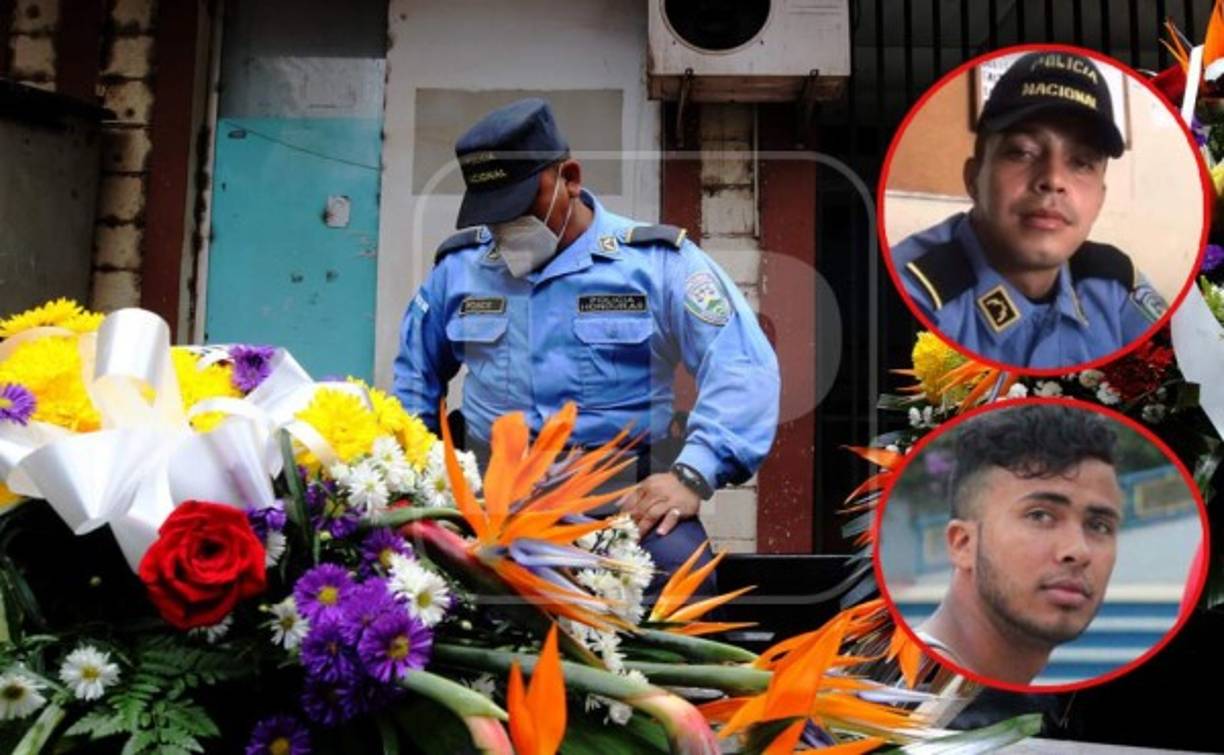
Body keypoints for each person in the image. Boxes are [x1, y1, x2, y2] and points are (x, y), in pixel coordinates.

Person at [392, 98, 780, 595]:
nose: (505, 230)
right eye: (494, 216)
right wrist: (418, 480)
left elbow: (741, 365)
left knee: (683, 591)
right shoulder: (460, 269)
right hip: (487, 502)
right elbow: (414, 378)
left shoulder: (656, 264)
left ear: (569, 178)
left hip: (620, 504)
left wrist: (692, 474)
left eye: (518, 210)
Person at [890, 51, 1168, 369]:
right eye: (1023, 152)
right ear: (973, 179)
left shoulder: (1115, 283)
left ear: (1100, 200)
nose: (1052, 179)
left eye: (1081, 162)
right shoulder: (915, 292)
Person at [915, 404, 1123, 685]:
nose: (1079, 551)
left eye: (1099, 525)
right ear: (963, 544)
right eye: (1040, 516)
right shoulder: (898, 699)